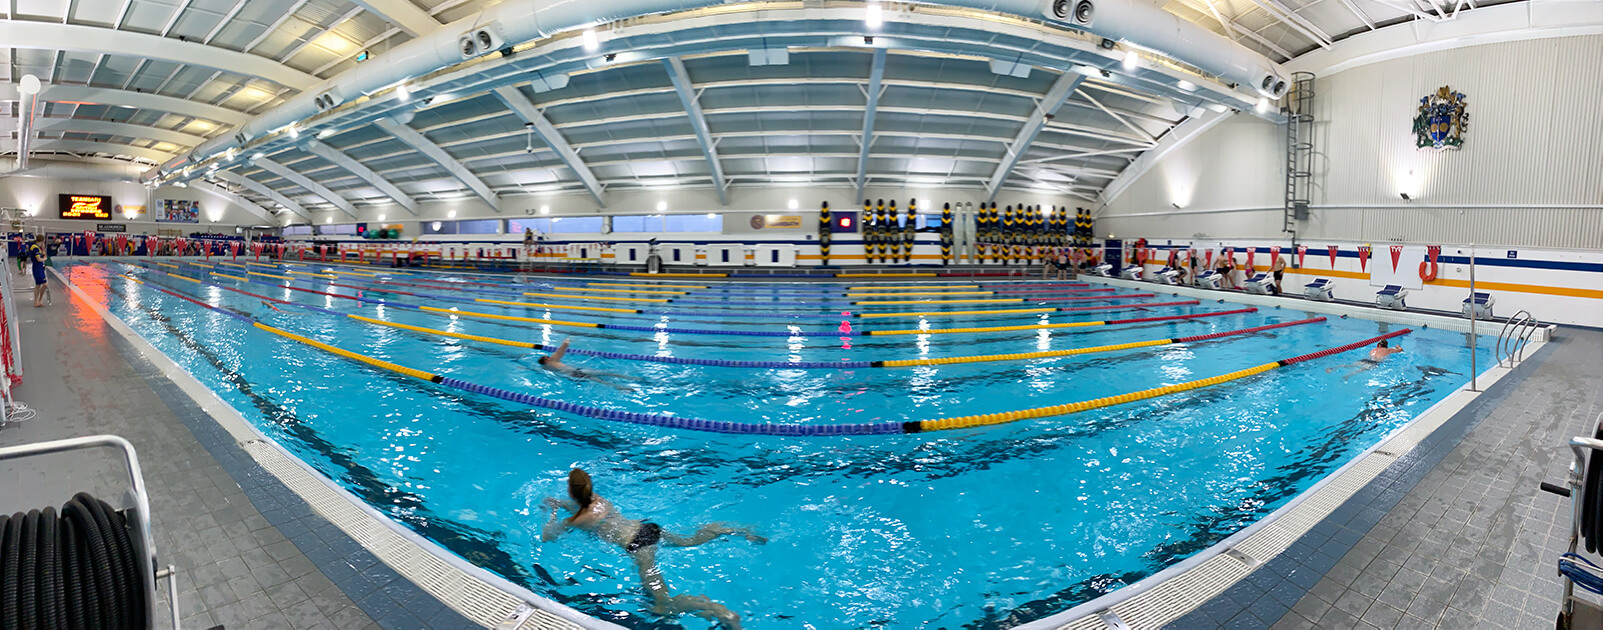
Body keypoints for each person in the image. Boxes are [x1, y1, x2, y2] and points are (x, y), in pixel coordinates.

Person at [542, 469, 763, 629]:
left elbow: (547, 537)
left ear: (571, 492)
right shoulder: (600, 501)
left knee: (662, 603)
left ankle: (721, 612)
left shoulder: (576, 520)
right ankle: (728, 529)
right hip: (648, 528)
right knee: (688, 541)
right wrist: (561, 503)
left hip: (638, 545)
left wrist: (552, 512)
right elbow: (582, 503)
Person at [535, 338, 635, 392]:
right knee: (602, 377)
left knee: (602, 377)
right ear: (546, 360)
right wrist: (567, 341)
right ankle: (623, 384)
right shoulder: (553, 360)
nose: (549, 357)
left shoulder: (545, 368)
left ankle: (624, 384)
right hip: (575, 373)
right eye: (547, 357)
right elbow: (562, 348)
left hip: (574, 373)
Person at [1327, 339, 1404, 379]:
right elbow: (1401, 350)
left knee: (1350, 365)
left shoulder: (1373, 350)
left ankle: (1333, 368)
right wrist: (1398, 346)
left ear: (1378, 345)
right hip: (1374, 362)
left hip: (1365, 360)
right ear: (1386, 345)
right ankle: (1347, 376)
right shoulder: (1388, 350)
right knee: (1361, 370)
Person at [27, 234, 48, 307]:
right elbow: (38, 259)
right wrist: (45, 258)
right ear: (42, 241)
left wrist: (42, 253)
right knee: (44, 284)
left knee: (38, 285)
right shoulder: (35, 247)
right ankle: (38, 300)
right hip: (37, 268)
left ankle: (37, 301)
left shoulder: (36, 246)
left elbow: (38, 255)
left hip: (38, 268)